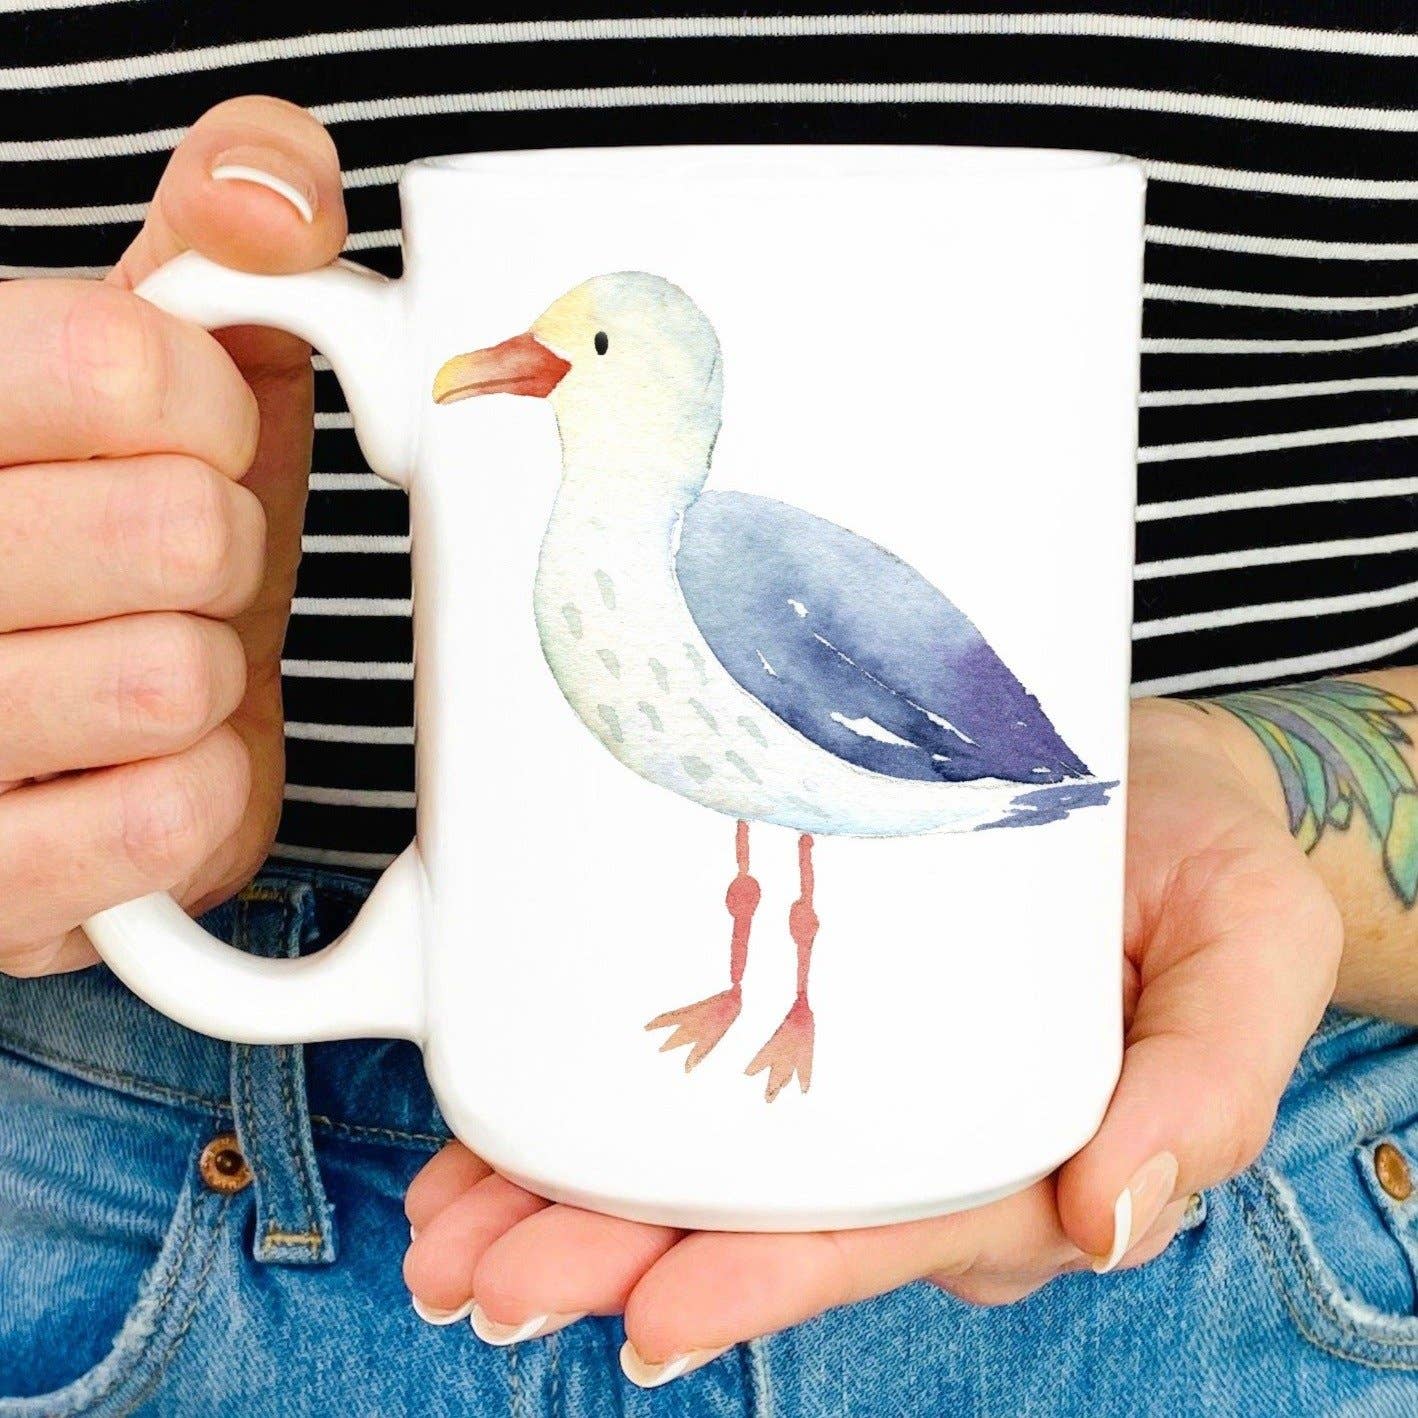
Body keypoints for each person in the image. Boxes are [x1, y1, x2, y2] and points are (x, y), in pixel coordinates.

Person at [1, 8, 1416, 1415]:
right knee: (752, 831)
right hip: (113, 1174)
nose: (530, 362)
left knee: (779, 826)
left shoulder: (722, 562)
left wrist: (1248, 795)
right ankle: (745, 997)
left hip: (1264, 1205)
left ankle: (782, 1006)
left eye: (580, 350)